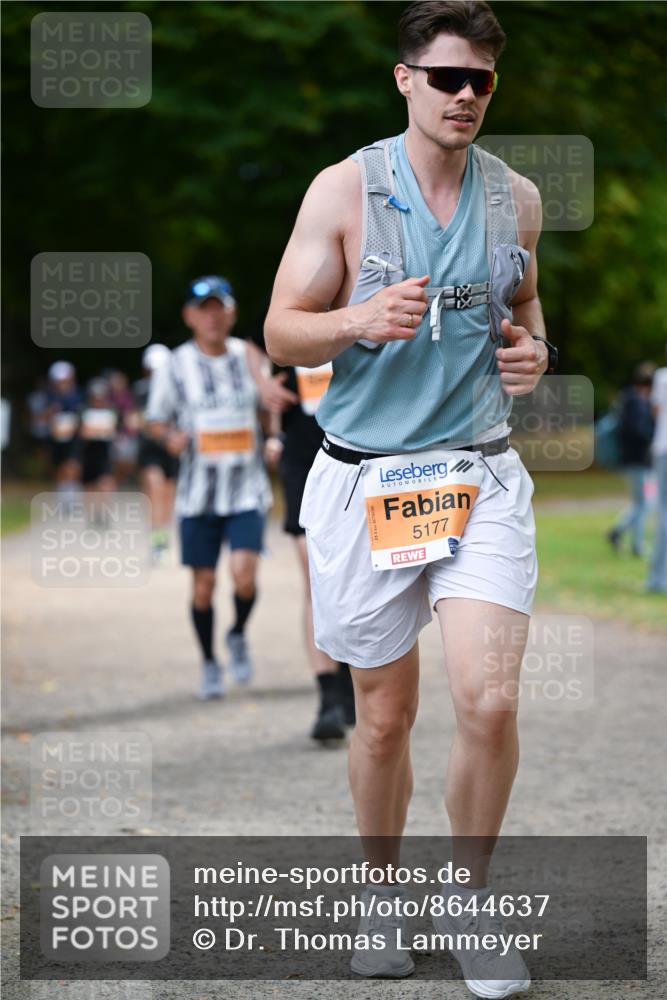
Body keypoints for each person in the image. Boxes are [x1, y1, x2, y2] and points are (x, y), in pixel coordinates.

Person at [265, 3, 558, 993]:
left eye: (480, 80)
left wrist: (535, 352)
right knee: (382, 718)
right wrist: (356, 316)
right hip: (365, 481)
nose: (465, 95)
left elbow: (523, 303)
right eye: (445, 78)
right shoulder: (345, 191)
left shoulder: (515, 197)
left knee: (488, 694)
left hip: (477, 472)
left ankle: (470, 902)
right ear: (404, 80)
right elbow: (280, 333)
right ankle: (381, 893)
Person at [146, 275, 294, 700]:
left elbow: (271, 407)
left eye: (219, 307)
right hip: (198, 495)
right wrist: (168, 437)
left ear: (230, 312)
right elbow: (155, 420)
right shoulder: (174, 365)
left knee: (243, 576)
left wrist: (272, 438)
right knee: (204, 586)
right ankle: (210, 661)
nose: (212, 316)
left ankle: (238, 632)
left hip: (246, 490)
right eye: (203, 309)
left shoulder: (249, 356)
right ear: (189, 316)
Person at [264, 362, 356, 741]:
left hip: (364, 457)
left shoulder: (374, 307)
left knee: (356, 577)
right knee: (315, 577)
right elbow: (260, 359)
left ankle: (354, 675)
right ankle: (328, 696)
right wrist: (270, 416)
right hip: (303, 458)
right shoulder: (293, 311)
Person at [133, 344, 179, 561]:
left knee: (168, 497)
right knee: (155, 488)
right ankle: (156, 540)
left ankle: (162, 536)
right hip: (150, 450)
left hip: (170, 451)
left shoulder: (179, 389)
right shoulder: (141, 390)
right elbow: (136, 419)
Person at [606, 363, 655, 557]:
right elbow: (638, 431)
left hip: (631, 459)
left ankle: (632, 541)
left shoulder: (627, 399)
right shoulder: (637, 403)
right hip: (637, 459)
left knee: (641, 501)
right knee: (643, 502)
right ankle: (624, 536)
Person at [45, 360, 83, 505]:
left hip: (73, 438)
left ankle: (73, 498)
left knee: (73, 465)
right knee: (59, 467)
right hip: (56, 438)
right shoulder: (49, 396)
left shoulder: (78, 395)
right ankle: (63, 498)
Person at [647, 352, 667, 593]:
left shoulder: (662, 377)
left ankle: (657, 578)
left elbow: (655, 410)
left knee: (662, 513)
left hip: (663, 449)